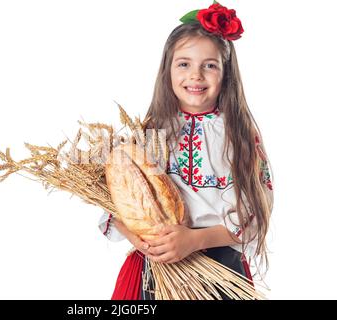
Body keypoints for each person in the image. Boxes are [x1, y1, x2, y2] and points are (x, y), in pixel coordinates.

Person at [98, 2, 274, 300]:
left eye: (209, 65)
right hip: (154, 269)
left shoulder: (240, 135)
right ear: (167, 70)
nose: (196, 75)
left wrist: (194, 240)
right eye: (184, 64)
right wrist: (141, 240)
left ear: (226, 74)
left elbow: (257, 210)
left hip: (218, 268)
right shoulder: (150, 131)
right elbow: (116, 203)